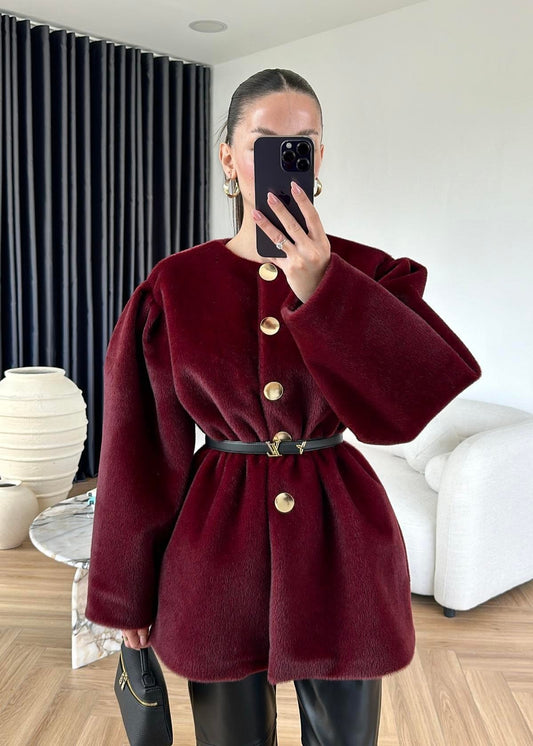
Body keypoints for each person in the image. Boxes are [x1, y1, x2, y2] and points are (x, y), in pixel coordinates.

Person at [86, 69, 481, 745]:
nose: (286, 158)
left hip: (342, 547)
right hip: (216, 550)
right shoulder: (175, 286)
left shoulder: (370, 273)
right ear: (229, 158)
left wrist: (325, 287)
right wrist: (126, 591)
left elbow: (407, 406)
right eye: (266, 142)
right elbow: (140, 448)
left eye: (302, 144)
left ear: (318, 159)